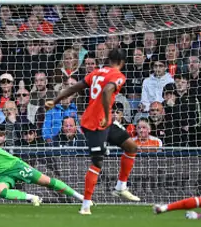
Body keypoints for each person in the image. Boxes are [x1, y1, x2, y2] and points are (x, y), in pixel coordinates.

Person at [47, 48, 140, 215]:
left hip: (105, 122)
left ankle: (121, 186)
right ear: (123, 62)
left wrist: (55, 101)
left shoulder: (96, 73)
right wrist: (105, 114)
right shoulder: (118, 76)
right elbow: (106, 91)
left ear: (109, 59)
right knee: (97, 163)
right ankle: (86, 205)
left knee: (131, 146)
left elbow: (74, 87)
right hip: (94, 123)